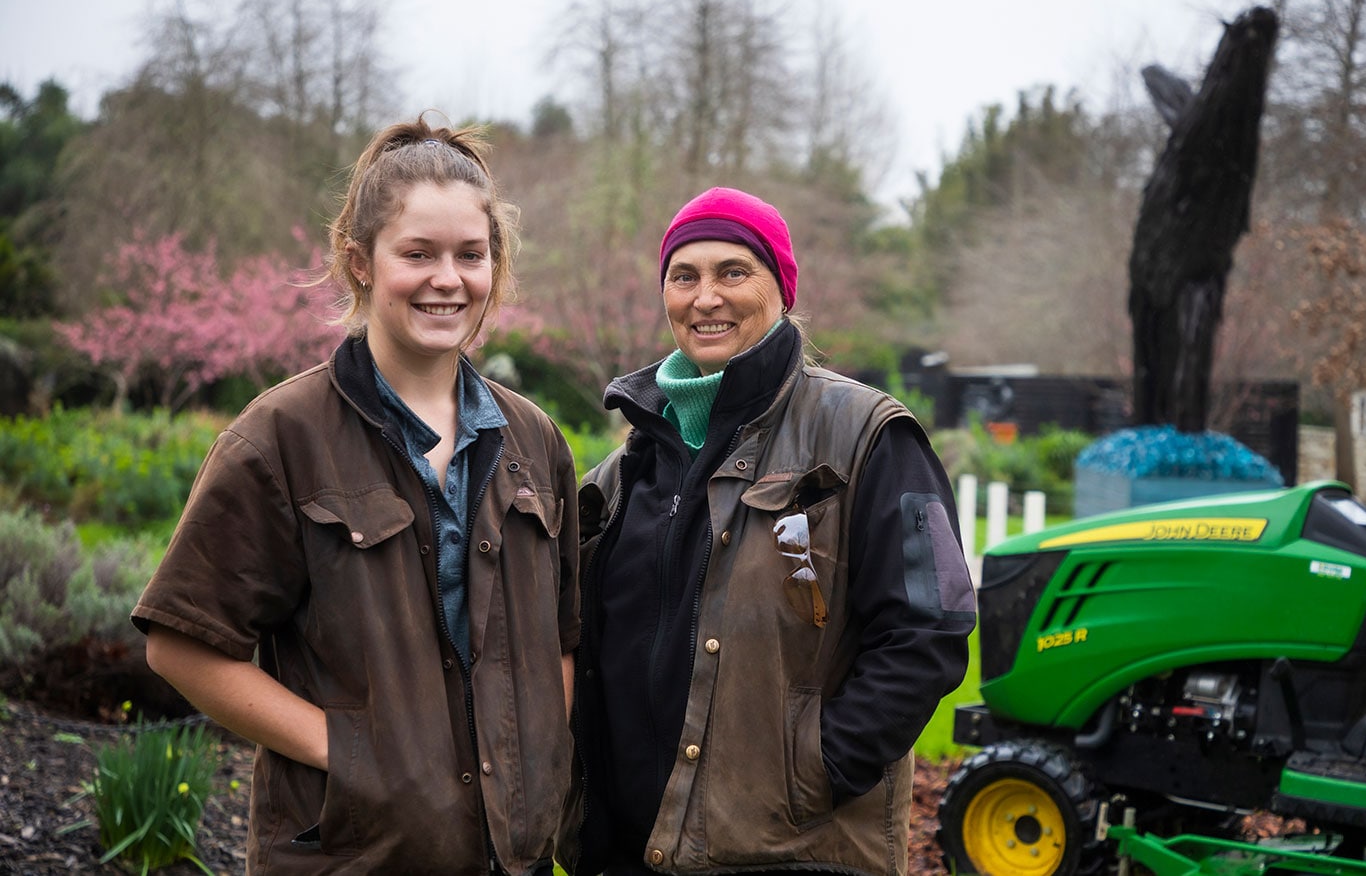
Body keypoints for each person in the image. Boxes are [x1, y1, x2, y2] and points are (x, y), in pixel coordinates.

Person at [133, 115, 579, 875]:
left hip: (512, 858)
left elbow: (562, 641)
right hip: (351, 855)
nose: (448, 279)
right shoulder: (281, 437)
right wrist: (345, 752)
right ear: (360, 262)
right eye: (418, 253)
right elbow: (181, 643)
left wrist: (538, 755)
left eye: (470, 255)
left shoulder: (534, 442)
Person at [558, 187, 976, 875]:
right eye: (683, 276)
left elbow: (931, 630)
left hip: (791, 851)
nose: (706, 297)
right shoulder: (618, 477)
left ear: (781, 288)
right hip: (626, 852)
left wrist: (815, 773)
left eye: (733, 271)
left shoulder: (867, 435)